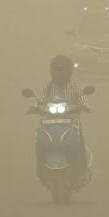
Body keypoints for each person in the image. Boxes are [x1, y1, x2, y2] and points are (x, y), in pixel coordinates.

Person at [34, 55, 90, 184]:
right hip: (49, 122)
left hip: (71, 122)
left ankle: (81, 170)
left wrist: (83, 105)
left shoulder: (75, 86)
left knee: (79, 141)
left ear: (69, 71)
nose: (57, 73)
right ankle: (41, 171)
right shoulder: (47, 87)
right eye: (55, 70)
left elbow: (82, 98)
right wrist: (34, 107)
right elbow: (39, 100)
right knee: (39, 142)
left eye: (61, 70)